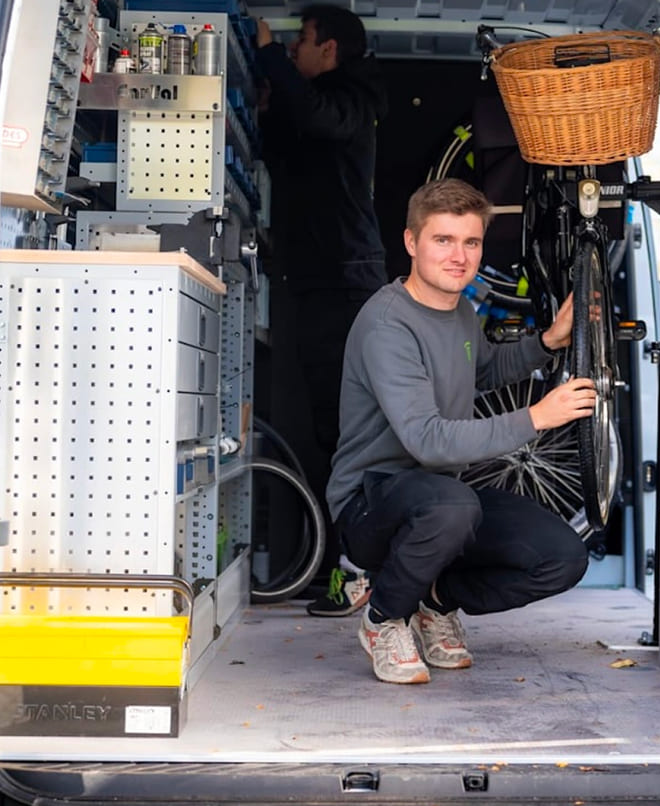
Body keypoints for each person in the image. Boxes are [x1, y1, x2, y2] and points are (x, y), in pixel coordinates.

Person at [326, 178, 594, 684]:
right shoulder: (387, 324)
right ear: (411, 243)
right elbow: (426, 441)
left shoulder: (461, 313)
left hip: (443, 498)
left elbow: (486, 371)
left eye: (470, 242)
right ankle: (383, 619)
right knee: (453, 506)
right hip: (371, 503)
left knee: (563, 558)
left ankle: (433, 600)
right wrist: (538, 416)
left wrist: (549, 342)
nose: (459, 256)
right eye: (442, 240)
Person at [255, 6, 388, 615]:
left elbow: (316, 117)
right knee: (328, 432)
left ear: (329, 50)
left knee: (346, 435)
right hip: (316, 284)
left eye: (301, 41)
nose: (293, 50)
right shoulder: (321, 100)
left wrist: (262, 56)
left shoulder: (353, 97)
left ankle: (354, 572)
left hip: (344, 285)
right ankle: (345, 566)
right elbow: (286, 139)